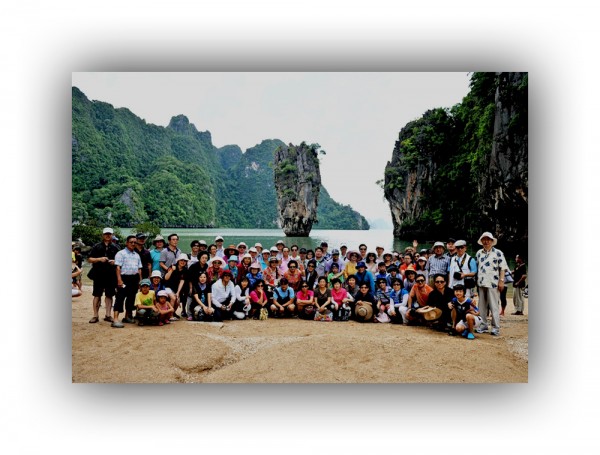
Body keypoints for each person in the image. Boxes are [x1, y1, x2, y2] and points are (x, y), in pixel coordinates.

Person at [475, 232, 508, 336]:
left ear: (492, 241)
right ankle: (483, 325)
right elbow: (477, 268)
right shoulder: (479, 253)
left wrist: (501, 281)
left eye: (488, 239)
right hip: (481, 283)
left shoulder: (498, 253)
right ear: (481, 241)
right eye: (484, 239)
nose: (486, 241)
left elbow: (503, 268)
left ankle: (495, 327)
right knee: (481, 306)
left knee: (494, 306)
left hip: (493, 283)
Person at [87, 227, 119, 324]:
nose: (108, 235)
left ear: (112, 235)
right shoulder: (96, 246)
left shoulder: (116, 247)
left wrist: (114, 261)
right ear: (103, 235)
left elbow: (121, 260)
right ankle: (95, 315)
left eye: (109, 234)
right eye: (106, 234)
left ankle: (108, 315)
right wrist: (99, 259)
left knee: (109, 295)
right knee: (97, 295)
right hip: (98, 274)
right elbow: (89, 259)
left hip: (111, 275)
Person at [113, 235, 143, 327]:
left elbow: (139, 269)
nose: (133, 244)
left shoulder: (137, 255)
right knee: (120, 298)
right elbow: (118, 267)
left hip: (134, 278)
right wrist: (119, 280)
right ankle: (115, 319)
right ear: (127, 243)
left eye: (135, 242)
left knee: (131, 298)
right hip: (124, 278)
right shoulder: (121, 253)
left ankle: (127, 317)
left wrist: (140, 281)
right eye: (131, 242)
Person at [163, 253, 190, 318]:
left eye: (185, 261)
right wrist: (172, 270)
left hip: (175, 289)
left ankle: (172, 313)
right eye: (181, 260)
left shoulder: (185, 270)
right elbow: (166, 278)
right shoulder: (172, 266)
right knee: (173, 298)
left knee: (178, 301)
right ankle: (170, 316)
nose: (183, 262)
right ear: (178, 261)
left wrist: (178, 292)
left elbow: (182, 281)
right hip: (167, 286)